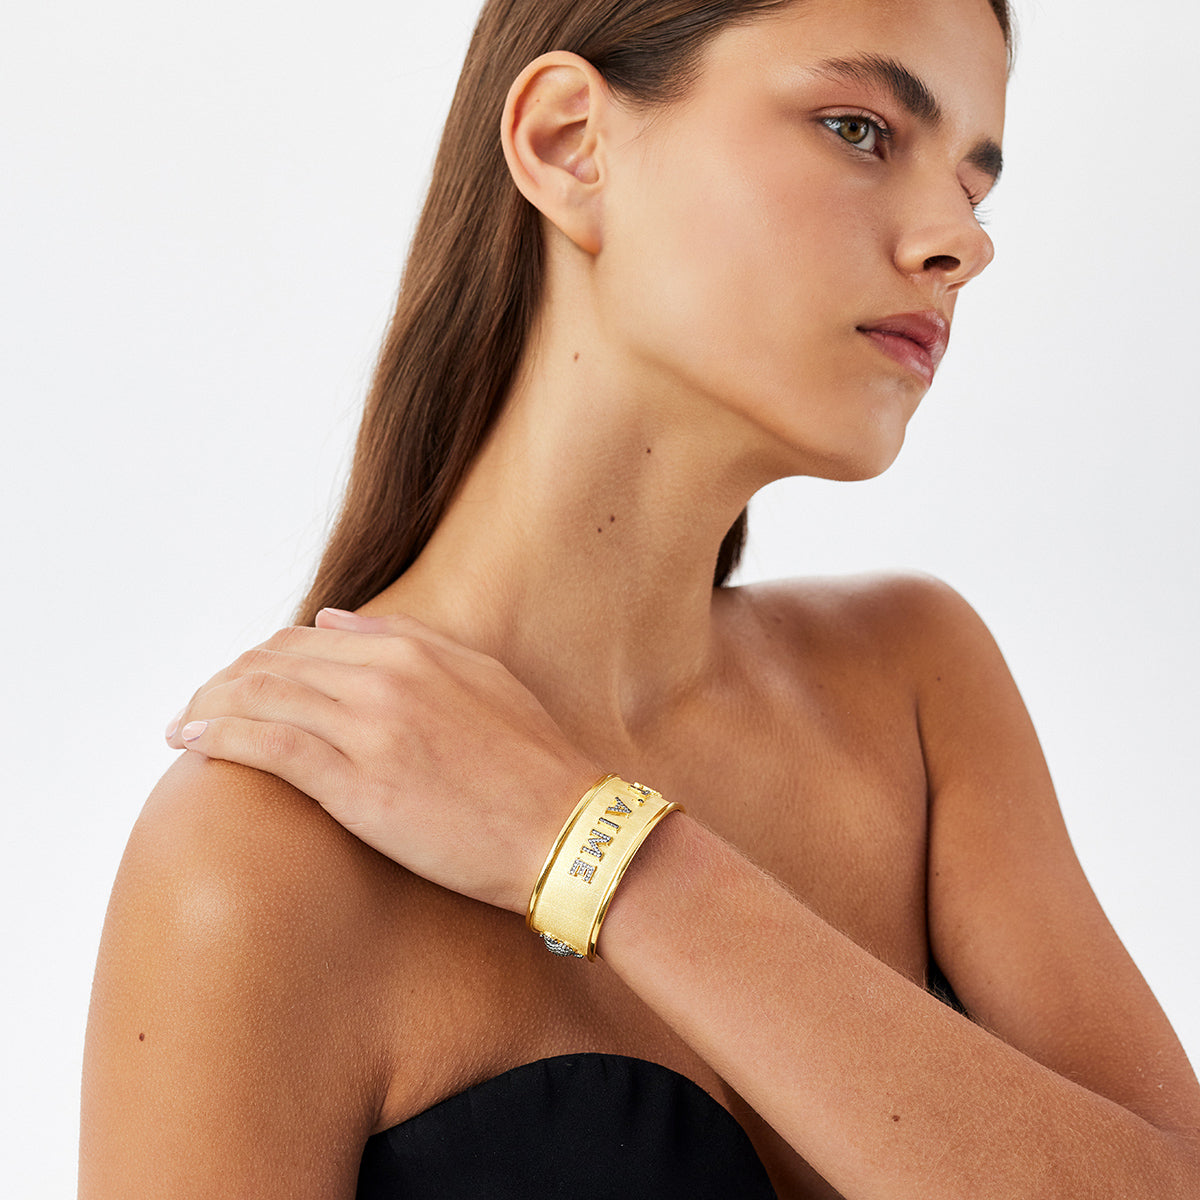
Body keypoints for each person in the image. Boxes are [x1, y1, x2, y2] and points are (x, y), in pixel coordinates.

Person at [80, 0, 1200, 1196]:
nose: (960, 243)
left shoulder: (922, 685)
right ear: (570, 142)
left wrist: (592, 847)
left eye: (975, 188)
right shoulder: (255, 860)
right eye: (859, 129)